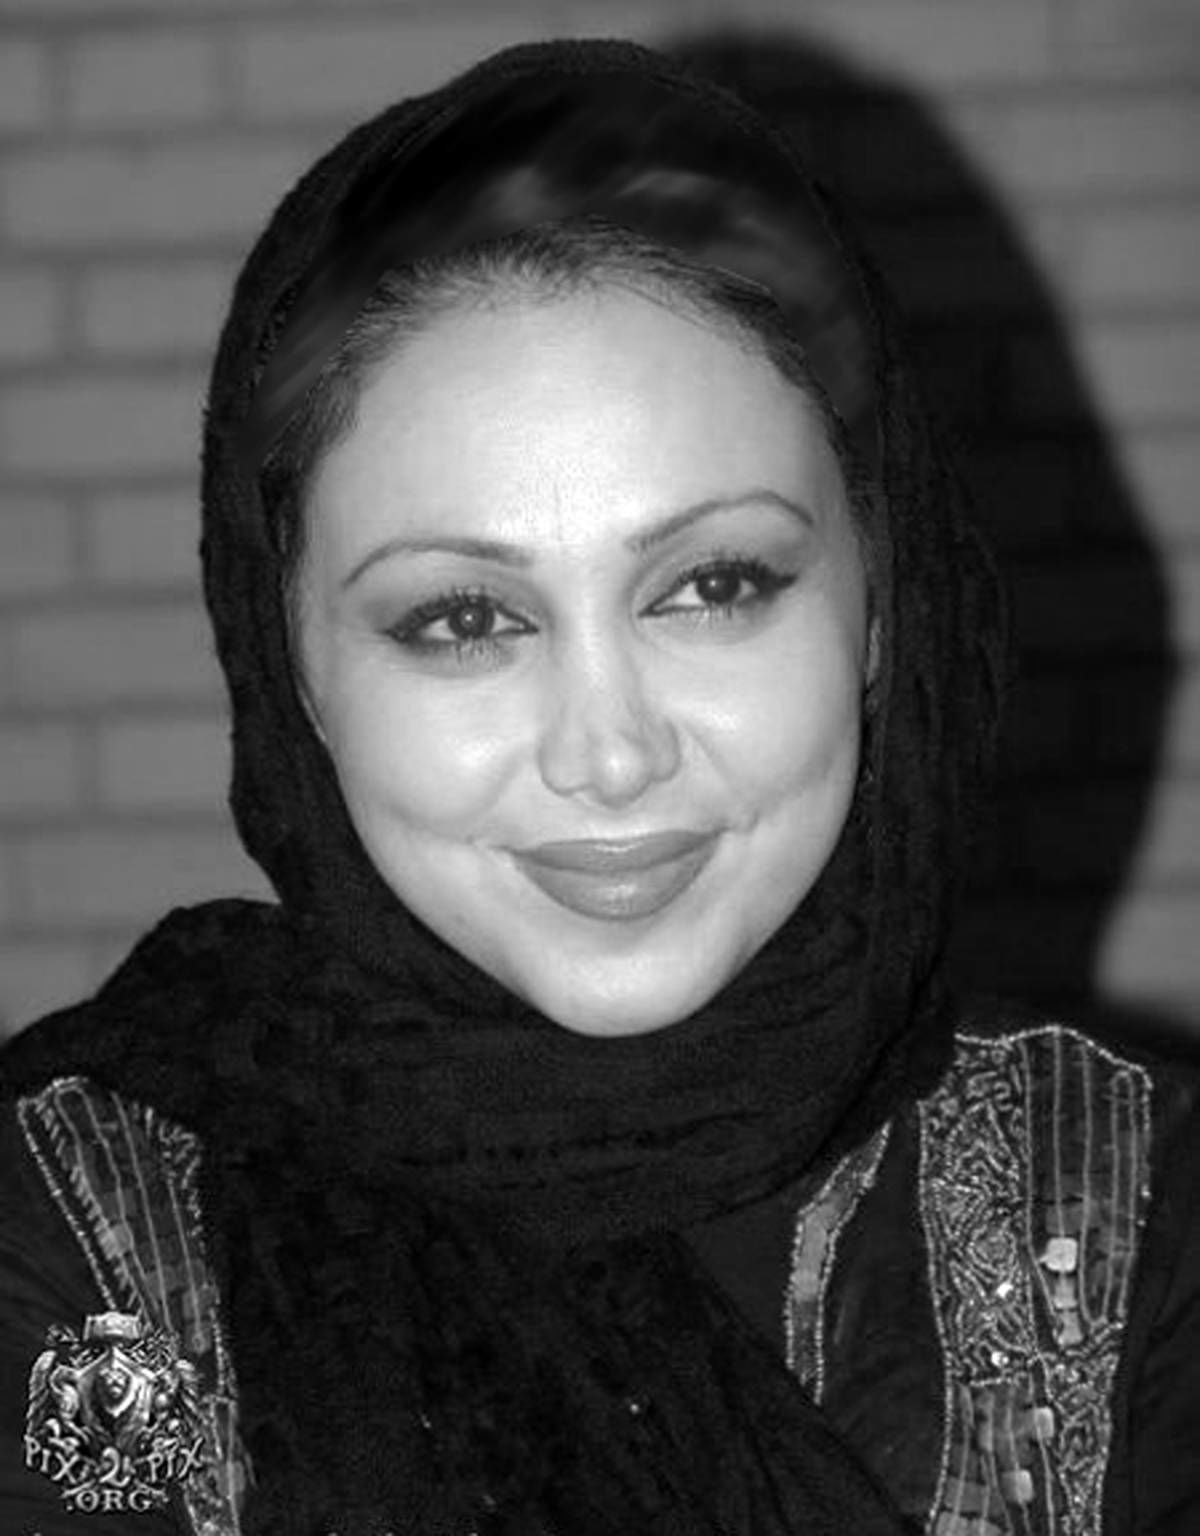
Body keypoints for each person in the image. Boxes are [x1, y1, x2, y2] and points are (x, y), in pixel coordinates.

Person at [1, 35, 1197, 1536]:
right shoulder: (83, 1240)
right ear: (290, 668)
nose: (611, 752)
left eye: (714, 585)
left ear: (885, 605)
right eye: (463, 619)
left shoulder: (1139, 1212)